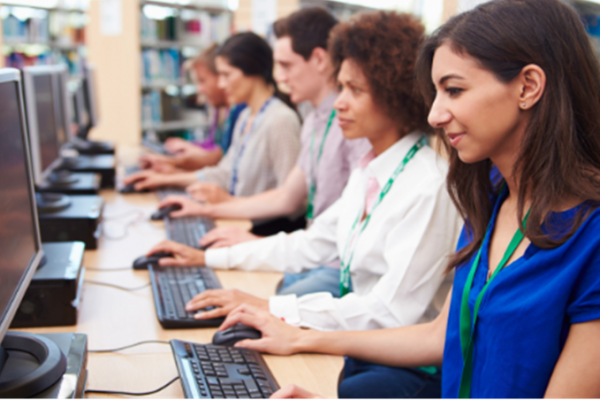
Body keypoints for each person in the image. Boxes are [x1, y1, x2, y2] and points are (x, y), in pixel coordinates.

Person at [216, 1, 600, 399]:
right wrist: (298, 338)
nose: (434, 115)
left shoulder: (591, 236)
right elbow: (440, 335)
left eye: (454, 90)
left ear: (528, 86)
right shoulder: (489, 197)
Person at [147, 11, 461, 334]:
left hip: (402, 360)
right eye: (340, 87)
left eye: (354, 90)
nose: (339, 102)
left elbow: (390, 312)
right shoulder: (370, 169)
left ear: (394, 92)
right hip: (364, 332)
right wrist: (207, 258)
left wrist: (269, 306)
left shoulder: (428, 185)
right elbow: (312, 244)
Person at [156, 7, 371, 297]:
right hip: (312, 255)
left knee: (250, 302)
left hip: (334, 264)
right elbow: (287, 194)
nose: (280, 76)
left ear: (319, 59)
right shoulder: (314, 121)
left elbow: (297, 211)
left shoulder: (353, 126)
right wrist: (207, 210)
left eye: (286, 65)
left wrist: (252, 240)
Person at [123, 33, 301, 204]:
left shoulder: (280, 121)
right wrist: (166, 179)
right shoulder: (247, 116)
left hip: (263, 228)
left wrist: (228, 203)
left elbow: (291, 200)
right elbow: (224, 174)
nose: (222, 84)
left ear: (251, 70)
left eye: (227, 75)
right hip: (239, 218)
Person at [138, 44, 246, 173]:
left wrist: (176, 166)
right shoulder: (220, 109)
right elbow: (216, 150)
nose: (199, 89)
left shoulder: (240, 111)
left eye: (202, 81)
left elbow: (222, 158)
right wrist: (190, 149)